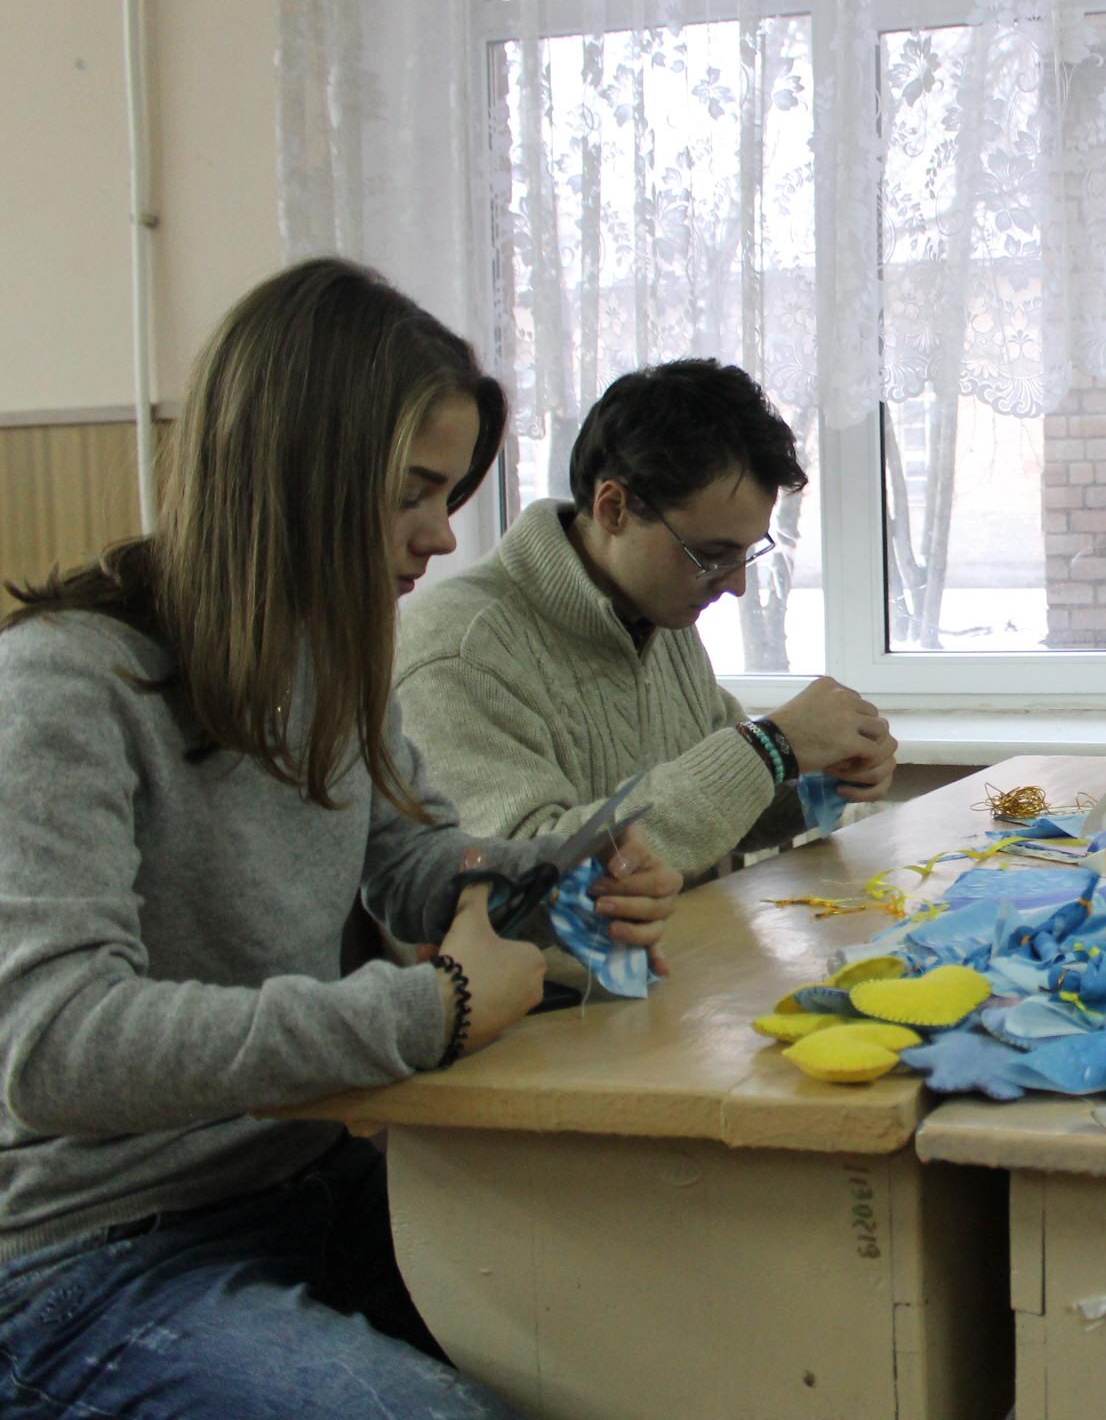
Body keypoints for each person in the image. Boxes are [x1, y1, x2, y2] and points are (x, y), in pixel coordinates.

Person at [0, 258, 680, 1416]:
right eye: (415, 493)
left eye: (450, 496)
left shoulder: (324, 657)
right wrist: (432, 1007)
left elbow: (411, 861)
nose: (441, 537)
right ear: (295, 467)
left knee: (645, 1332)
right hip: (91, 1254)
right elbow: (59, 1048)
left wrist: (553, 874)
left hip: (303, 1180)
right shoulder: (65, 683)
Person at [394, 359, 898, 882]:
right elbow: (520, 881)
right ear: (614, 508)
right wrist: (770, 748)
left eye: (746, 554)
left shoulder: (654, 610)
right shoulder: (459, 652)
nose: (735, 585)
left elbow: (712, 813)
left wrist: (820, 775)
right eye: (711, 554)